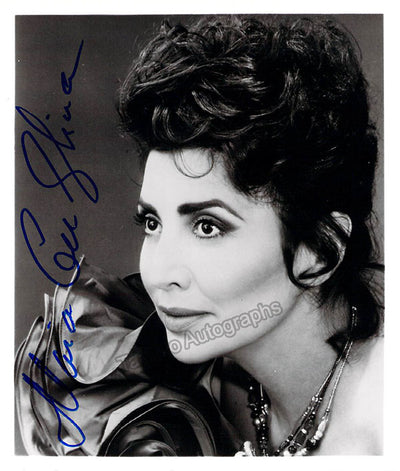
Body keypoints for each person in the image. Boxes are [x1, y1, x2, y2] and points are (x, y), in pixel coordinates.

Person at [15, 15, 383, 456]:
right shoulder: (175, 394)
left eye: (207, 227)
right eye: (152, 223)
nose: (158, 275)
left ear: (320, 250)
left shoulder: (383, 423)